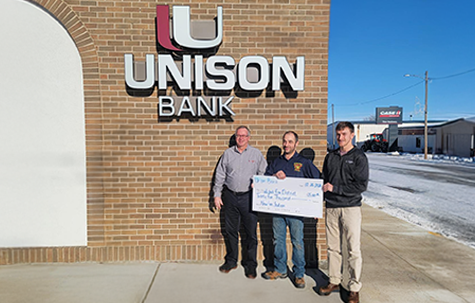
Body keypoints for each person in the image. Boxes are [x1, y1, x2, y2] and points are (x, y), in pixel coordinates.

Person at [262, 131, 321, 289]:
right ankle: (280, 269)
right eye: (284, 141)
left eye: (290, 142)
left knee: (297, 242)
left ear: (296, 144)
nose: (286, 144)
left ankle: (299, 274)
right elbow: (265, 181)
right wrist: (274, 176)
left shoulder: (304, 162)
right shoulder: (276, 162)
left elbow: (317, 181)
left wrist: (315, 206)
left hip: (296, 212)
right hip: (278, 210)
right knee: (278, 240)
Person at [318, 122, 369, 303]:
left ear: (352, 135)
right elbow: (324, 179)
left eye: (344, 134)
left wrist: (335, 188)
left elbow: (361, 186)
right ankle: (334, 281)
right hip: (332, 207)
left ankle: (354, 288)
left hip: (350, 208)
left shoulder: (359, 157)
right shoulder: (330, 156)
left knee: (353, 249)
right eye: (338, 134)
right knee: (333, 247)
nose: (340, 137)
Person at [213, 126, 267, 279]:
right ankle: (231, 261)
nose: (241, 138)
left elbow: (264, 171)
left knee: (250, 233)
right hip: (230, 196)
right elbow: (220, 174)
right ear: (235, 137)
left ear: (249, 137)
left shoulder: (256, 154)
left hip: (249, 197)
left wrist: (259, 183)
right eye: (238, 136)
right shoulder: (228, 154)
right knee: (231, 231)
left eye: (244, 136)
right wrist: (217, 194)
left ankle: (250, 265)